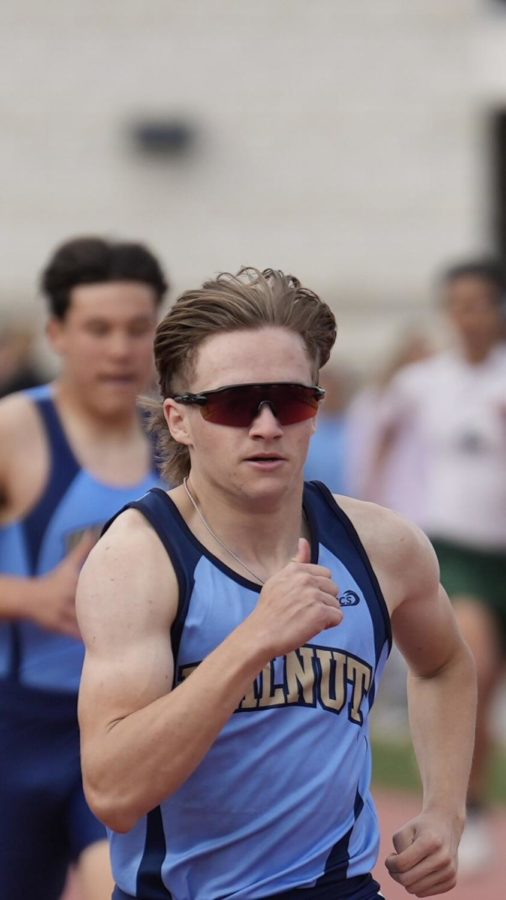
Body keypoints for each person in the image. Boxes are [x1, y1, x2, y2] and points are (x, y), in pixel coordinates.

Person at [77, 267, 476, 900]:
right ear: (179, 419)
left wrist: (446, 809)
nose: (267, 426)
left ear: (316, 412)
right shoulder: (139, 559)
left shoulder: (382, 546)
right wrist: (253, 640)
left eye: (291, 401)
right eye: (236, 404)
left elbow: (445, 664)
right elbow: (115, 794)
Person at [0, 236, 168, 900]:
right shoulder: (16, 429)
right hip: (18, 729)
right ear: (59, 333)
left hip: (130, 729)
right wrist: (27, 597)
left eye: (137, 328)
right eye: (99, 329)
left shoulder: (179, 440)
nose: (121, 349)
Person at [362, 258, 506, 876]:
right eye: (459, 304)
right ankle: (467, 804)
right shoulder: (426, 381)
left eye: (481, 304)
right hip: (460, 551)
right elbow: (383, 425)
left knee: (493, 689)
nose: (468, 316)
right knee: (472, 668)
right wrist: (369, 504)